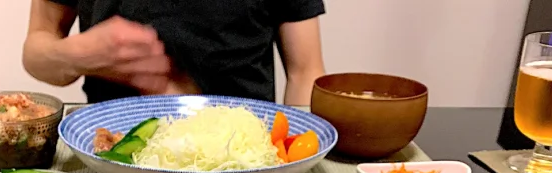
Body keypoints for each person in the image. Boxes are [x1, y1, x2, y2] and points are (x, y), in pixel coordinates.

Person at [22, 0, 326, 105]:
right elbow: (35, 52)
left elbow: (305, 71)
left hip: (244, 163)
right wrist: (77, 55)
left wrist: (292, 153)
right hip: (111, 158)